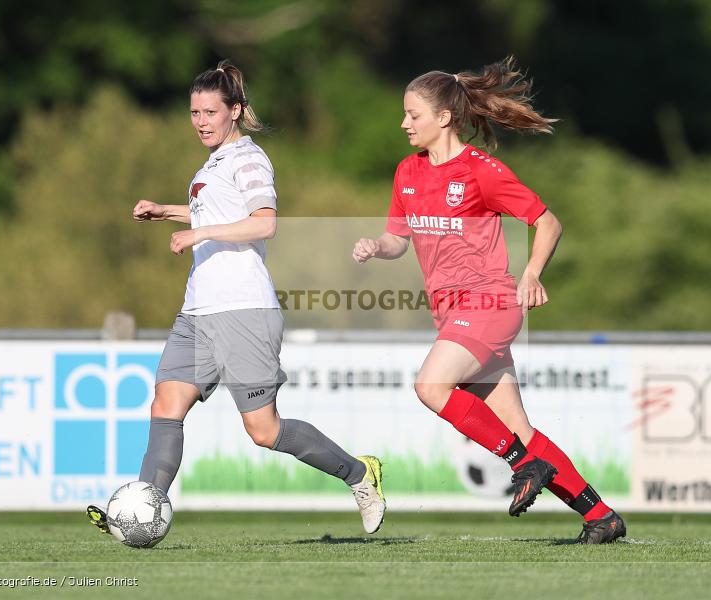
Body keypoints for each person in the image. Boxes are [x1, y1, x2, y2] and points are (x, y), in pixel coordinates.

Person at [87, 60, 386, 536]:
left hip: (243, 309)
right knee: (166, 404)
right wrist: (168, 212)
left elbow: (264, 222)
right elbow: (216, 209)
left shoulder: (249, 158)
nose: (201, 121)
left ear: (236, 111)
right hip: (198, 312)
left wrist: (199, 231)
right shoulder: (212, 163)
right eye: (194, 112)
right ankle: (143, 511)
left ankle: (358, 473)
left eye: (210, 111)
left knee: (263, 431)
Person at [352, 57, 624, 544]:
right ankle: (599, 515)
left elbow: (547, 222)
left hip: (489, 304)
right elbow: (399, 239)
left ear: (443, 118)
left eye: (413, 114)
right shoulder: (406, 172)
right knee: (518, 428)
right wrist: (378, 246)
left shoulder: (481, 171)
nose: (404, 123)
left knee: (431, 386)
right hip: (454, 314)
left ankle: (523, 466)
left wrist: (532, 273)